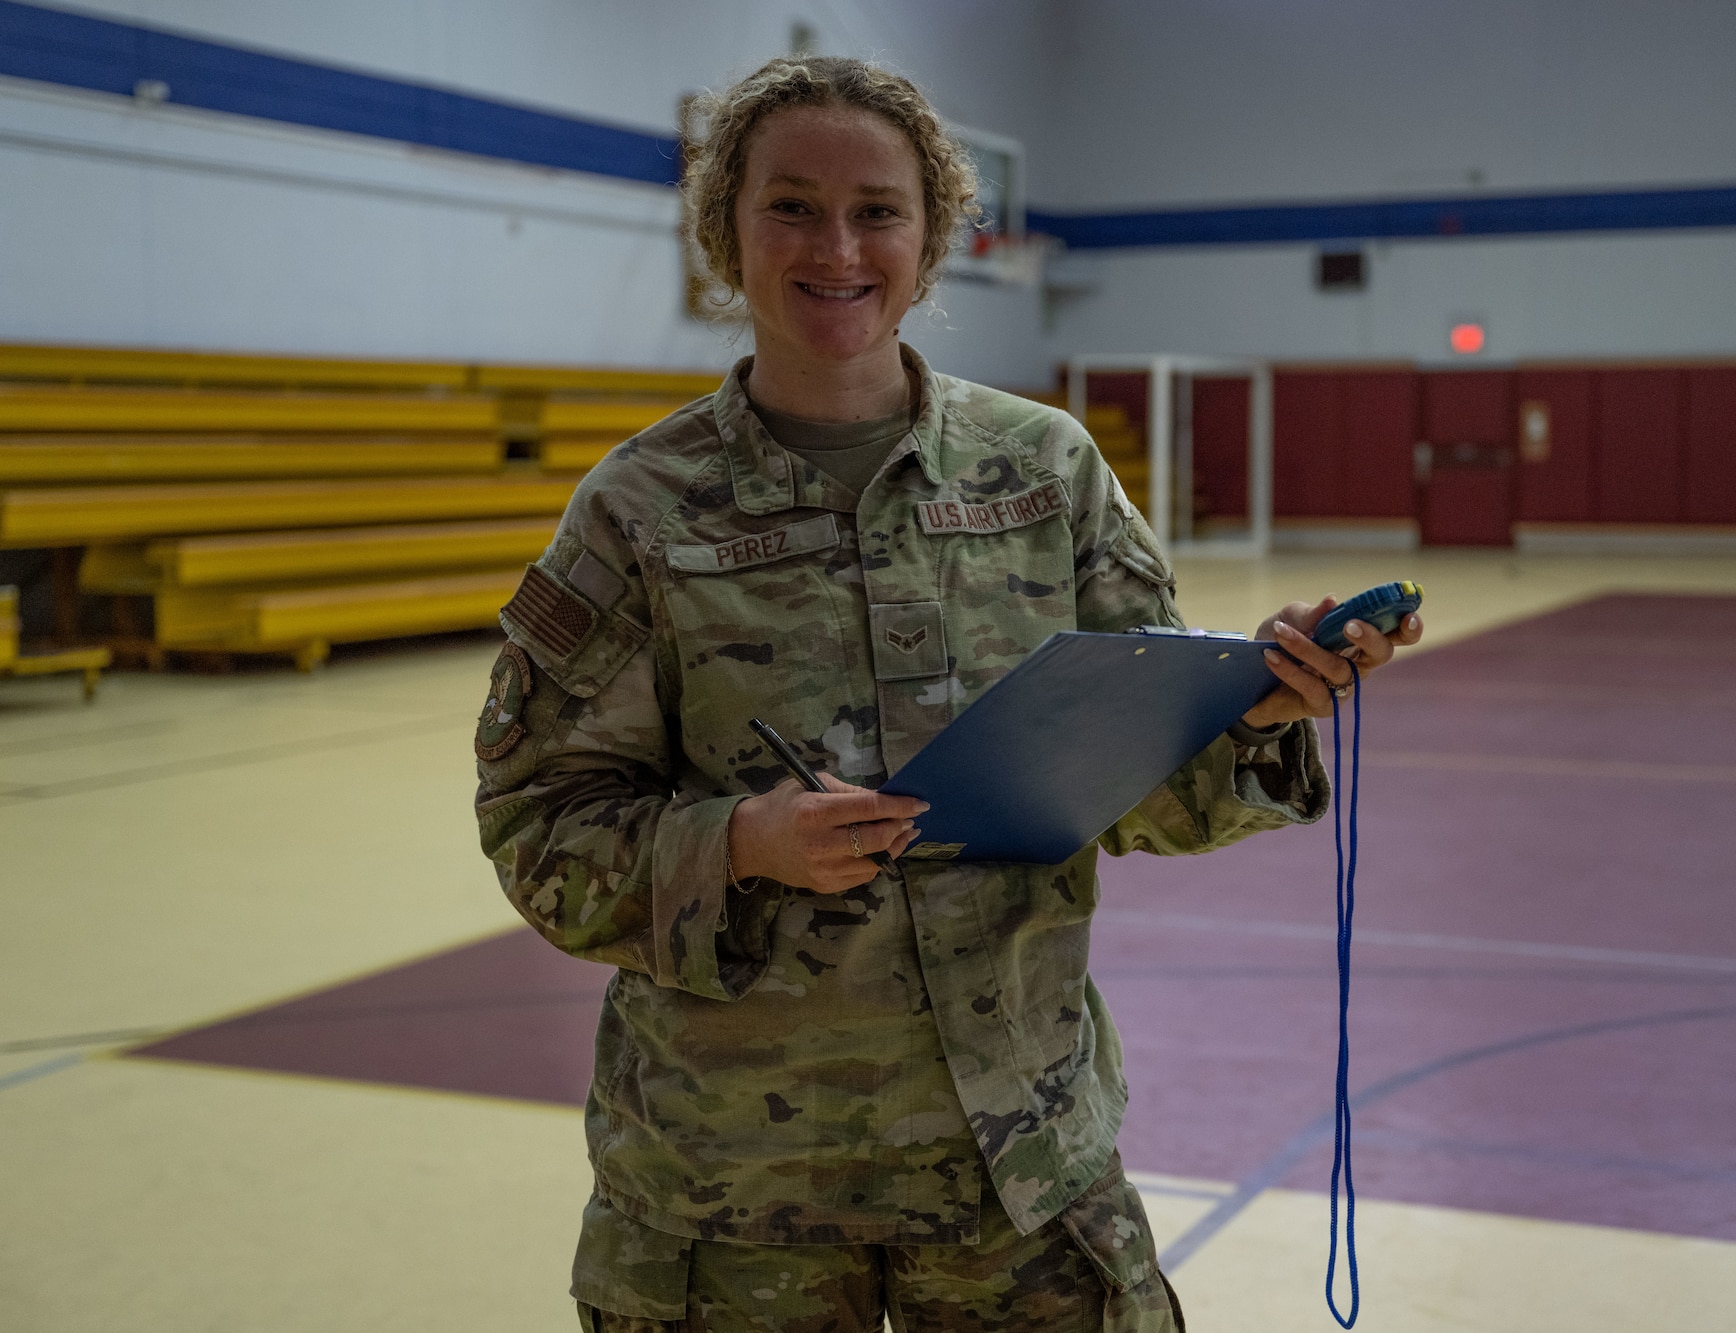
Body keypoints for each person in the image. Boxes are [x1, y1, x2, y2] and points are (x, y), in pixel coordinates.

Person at [474, 54, 1421, 1333]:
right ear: (722, 233)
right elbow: (538, 825)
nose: (837, 247)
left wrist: (1251, 700)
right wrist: (739, 842)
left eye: (879, 210)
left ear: (931, 240)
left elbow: (1135, 787)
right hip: (733, 1196)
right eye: (790, 206)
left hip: (1017, 1176)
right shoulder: (640, 511)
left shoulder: (1045, 473)